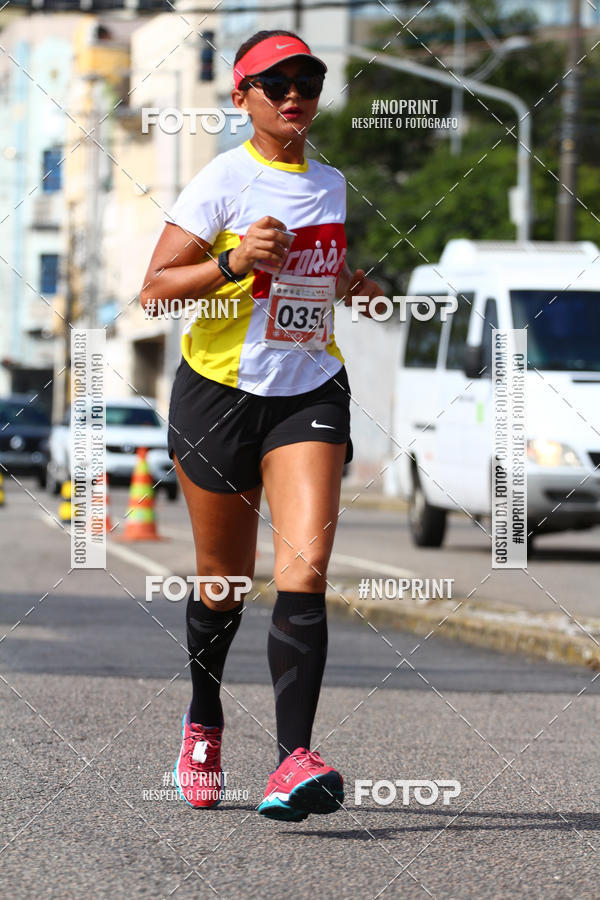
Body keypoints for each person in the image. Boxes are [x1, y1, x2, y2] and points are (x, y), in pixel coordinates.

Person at [140, 29, 382, 822]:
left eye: (307, 80)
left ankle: (292, 761)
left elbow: (319, 271)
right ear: (241, 94)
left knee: (303, 572)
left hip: (309, 387)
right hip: (218, 394)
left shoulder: (334, 183)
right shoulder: (221, 180)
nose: (294, 95)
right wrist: (234, 263)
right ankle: (204, 720)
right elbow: (156, 291)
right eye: (275, 82)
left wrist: (354, 285)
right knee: (222, 586)